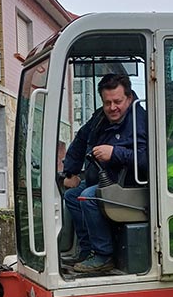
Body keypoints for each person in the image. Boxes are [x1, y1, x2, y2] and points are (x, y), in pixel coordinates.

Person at [60, 73, 148, 275]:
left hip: (129, 184)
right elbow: (81, 140)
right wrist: (71, 171)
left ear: (129, 97)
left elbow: (147, 159)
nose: (112, 108)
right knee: (72, 196)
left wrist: (114, 153)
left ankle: (103, 255)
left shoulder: (139, 120)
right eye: (107, 102)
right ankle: (87, 250)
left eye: (117, 101)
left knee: (88, 197)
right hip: (102, 179)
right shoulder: (100, 117)